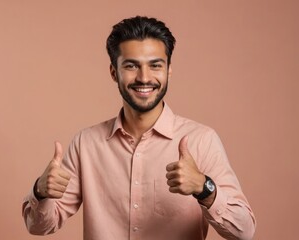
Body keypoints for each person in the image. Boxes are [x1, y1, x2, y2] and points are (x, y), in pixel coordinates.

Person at [22, 16, 256, 240]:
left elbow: (244, 232)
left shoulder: (202, 140)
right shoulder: (86, 144)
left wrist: (204, 188)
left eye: (155, 65)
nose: (144, 78)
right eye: (132, 66)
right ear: (114, 72)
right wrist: (40, 192)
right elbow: (40, 226)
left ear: (168, 71)